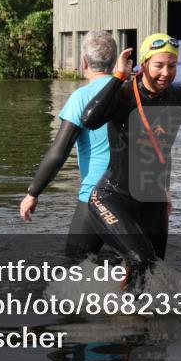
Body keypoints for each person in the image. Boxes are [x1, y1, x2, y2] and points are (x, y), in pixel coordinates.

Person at [80, 33, 181, 293]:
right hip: (112, 197)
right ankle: (127, 320)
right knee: (141, 259)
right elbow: (90, 119)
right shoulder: (124, 94)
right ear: (143, 64)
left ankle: (133, 323)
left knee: (151, 271)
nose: (166, 72)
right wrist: (118, 78)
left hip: (153, 201)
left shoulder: (180, 98)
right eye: (158, 65)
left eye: (171, 66)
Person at [21, 30, 117, 260]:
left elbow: (59, 152)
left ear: (84, 62)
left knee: (75, 265)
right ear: (114, 62)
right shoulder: (130, 93)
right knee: (130, 270)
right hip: (136, 194)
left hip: (98, 193)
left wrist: (33, 193)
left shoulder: (82, 97)